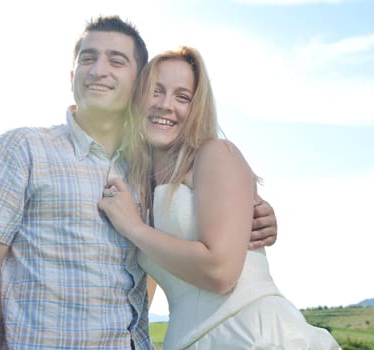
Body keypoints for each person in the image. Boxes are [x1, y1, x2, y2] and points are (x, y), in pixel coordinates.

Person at [0, 16, 278, 350]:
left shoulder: (148, 174)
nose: (98, 70)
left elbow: (173, 246)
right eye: (88, 59)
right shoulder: (22, 149)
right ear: (72, 75)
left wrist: (256, 217)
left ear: (136, 83)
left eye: (116, 60)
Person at [98, 46, 340, 349]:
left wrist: (134, 228)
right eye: (155, 92)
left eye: (182, 96)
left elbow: (221, 273)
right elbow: (151, 281)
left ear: (196, 107)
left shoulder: (215, 155)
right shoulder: (136, 186)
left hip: (252, 335)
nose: (166, 105)